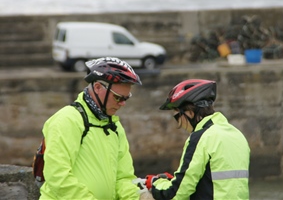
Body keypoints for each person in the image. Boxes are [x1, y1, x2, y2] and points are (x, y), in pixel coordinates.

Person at [39, 57, 148, 199]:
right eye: (118, 97)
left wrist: (139, 197)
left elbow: (123, 179)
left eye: (126, 98)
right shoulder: (67, 119)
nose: (122, 103)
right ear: (97, 87)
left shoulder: (114, 126)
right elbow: (58, 176)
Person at [146, 79, 250, 200]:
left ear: (190, 113)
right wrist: (173, 180)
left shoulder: (201, 137)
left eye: (177, 117)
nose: (179, 123)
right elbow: (216, 182)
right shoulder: (237, 135)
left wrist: (155, 183)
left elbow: (177, 193)